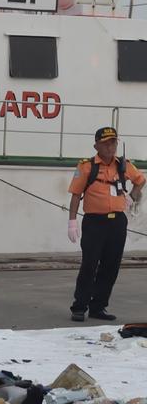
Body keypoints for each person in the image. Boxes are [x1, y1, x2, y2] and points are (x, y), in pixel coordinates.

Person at [67, 126, 144, 322]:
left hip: (117, 222)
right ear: (96, 145)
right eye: (106, 143)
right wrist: (72, 221)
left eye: (114, 142)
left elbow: (140, 180)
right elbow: (76, 195)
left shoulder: (123, 165)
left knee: (111, 266)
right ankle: (79, 306)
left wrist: (133, 195)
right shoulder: (87, 167)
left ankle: (98, 307)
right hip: (95, 222)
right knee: (89, 265)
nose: (111, 147)